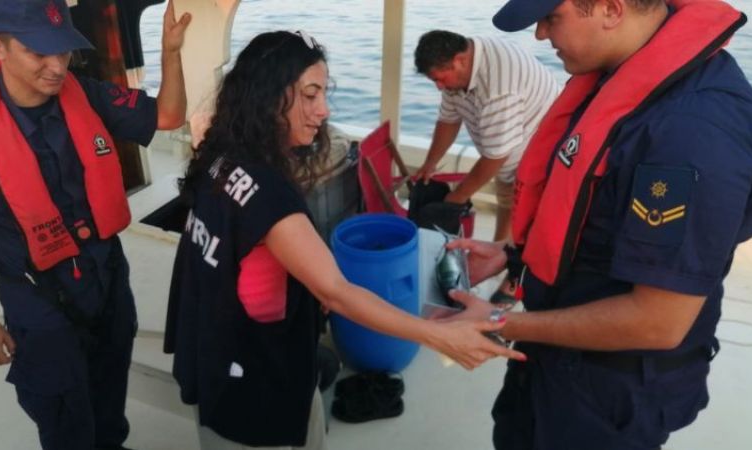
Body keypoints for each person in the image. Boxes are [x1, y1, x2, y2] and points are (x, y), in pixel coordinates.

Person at [162, 30, 525, 450]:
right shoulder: (269, 195)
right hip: (254, 382)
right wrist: (440, 335)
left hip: (213, 355)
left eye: (324, 93)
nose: (324, 110)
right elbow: (337, 293)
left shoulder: (220, 159)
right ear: (267, 96)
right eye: (310, 95)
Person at [444, 0, 752, 449]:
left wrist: (498, 321)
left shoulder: (691, 133)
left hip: (609, 391)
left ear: (611, 10)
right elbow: (593, 212)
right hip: (555, 358)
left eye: (551, 18)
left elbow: (658, 322)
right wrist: (513, 256)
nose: (540, 34)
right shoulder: (619, 74)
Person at [0, 1, 191, 449]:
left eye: (63, 49)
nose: (56, 66)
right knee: (65, 418)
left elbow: (168, 116)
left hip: (105, 275)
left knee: (110, 391)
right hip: (38, 297)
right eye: (38, 52)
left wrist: (170, 52)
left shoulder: (83, 93)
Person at [412, 30, 560, 242]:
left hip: (541, 158)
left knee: (530, 225)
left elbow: (494, 157)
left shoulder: (498, 88)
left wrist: (458, 197)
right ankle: (501, 248)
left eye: (441, 79)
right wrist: (430, 162)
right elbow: (448, 120)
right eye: (434, 81)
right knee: (508, 205)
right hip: (510, 150)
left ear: (460, 60)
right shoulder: (462, 67)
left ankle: (510, 256)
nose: (439, 87)